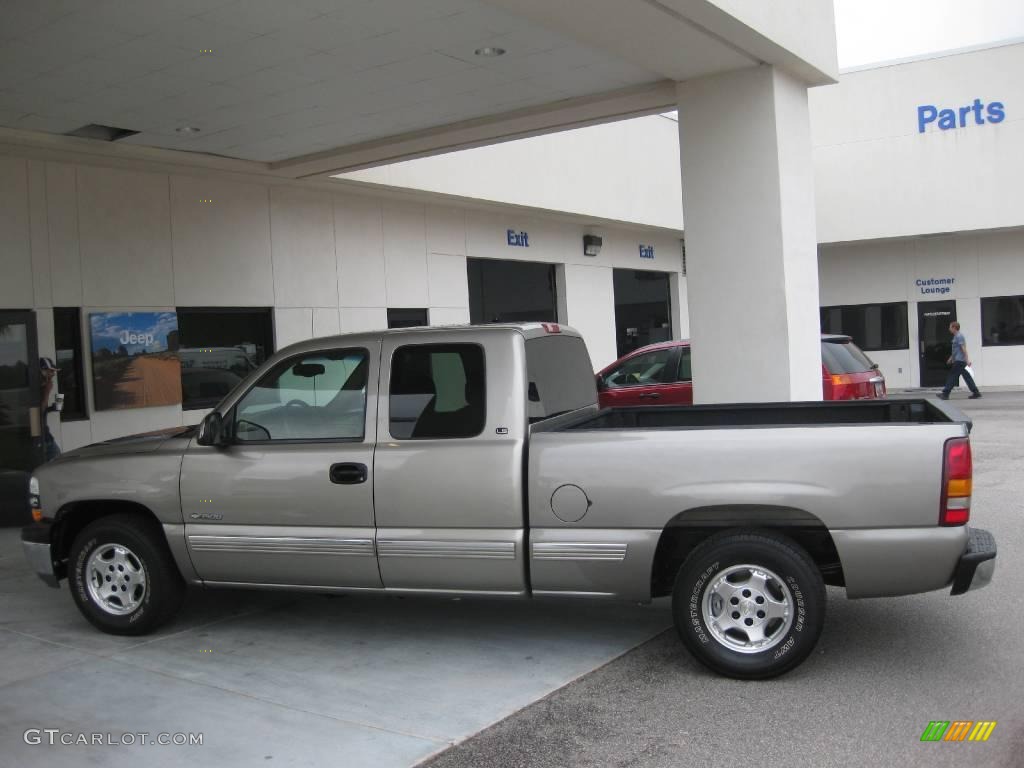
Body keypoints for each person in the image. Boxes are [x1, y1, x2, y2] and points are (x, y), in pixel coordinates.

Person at [938, 322, 981, 400]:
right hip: (959, 360)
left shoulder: (959, 336)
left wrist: (967, 360)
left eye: (950, 327)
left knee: (952, 376)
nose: (949, 329)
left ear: (954, 328)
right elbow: (956, 350)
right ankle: (976, 392)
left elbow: (963, 349)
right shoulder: (956, 337)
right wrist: (951, 358)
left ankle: (945, 394)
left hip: (960, 361)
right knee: (967, 377)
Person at [39, 357, 62, 461]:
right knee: (56, 460)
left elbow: (43, 410)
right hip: (41, 438)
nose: (53, 374)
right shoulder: (37, 388)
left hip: (45, 436)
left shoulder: (43, 387)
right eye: (51, 371)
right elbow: (39, 412)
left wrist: (54, 407)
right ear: (43, 371)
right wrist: (47, 392)